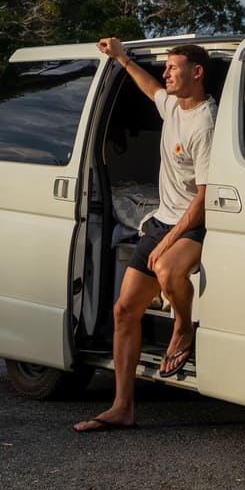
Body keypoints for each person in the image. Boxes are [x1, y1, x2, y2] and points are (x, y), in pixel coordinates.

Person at [74, 37, 216, 433]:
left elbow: (204, 199)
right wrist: (121, 57)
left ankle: (183, 325)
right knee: (124, 310)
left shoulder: (206, 124)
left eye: (172, 67)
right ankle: (122, 407)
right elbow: (149, 86)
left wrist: (168, 242)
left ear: (196, 73)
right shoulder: (172, 105)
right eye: (166, 67)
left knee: (168, 271)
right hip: (162, 219)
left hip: (195, 222)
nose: (165, 73)